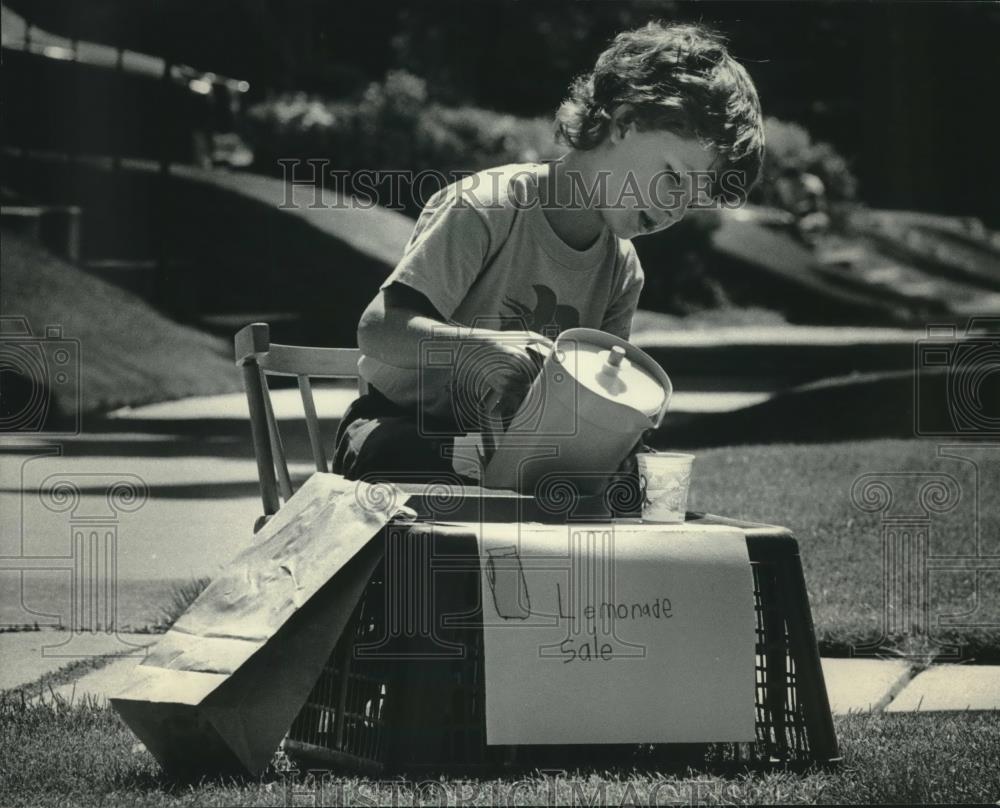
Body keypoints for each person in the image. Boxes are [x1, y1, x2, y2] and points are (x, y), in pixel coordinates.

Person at [333, 21, 764, 483]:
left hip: (516, 451)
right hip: (402, 432)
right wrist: (477, 350)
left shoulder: (621, 271)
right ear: (623, 123)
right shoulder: (489, 208)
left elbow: (599, 401)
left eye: (693, 201)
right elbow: (379, 330)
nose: (676, 209)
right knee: (428, 466)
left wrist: (620, 431)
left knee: (618, 485)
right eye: (675, 178)